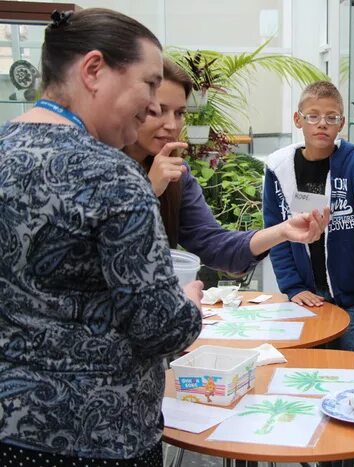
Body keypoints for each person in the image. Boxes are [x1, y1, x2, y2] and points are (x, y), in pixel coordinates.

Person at [0, 8, 202, 466]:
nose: (154, 106)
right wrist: (189, 303)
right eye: (149, 84)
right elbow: (160, 326)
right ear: (93, 70)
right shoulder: (113, 176)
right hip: (100, 439)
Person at [124, 59, 329, 276]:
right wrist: (148, 192)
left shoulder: (177, 174)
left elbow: (214, 244)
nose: (172, 125)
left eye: (179, 113)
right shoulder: (99, 168)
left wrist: (283, 231)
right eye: (156, 111)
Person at [263, 81, 354, 352]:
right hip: (304, 291)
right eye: (313, 116)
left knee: (343, 362)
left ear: (341, 123)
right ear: (298, 119)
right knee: (308, 362)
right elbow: (276, 230)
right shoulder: (278, 168)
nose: (322, 124)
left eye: (331, 118)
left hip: (350, 289)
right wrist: (292, 286)